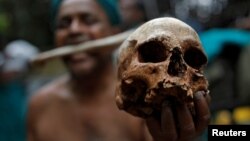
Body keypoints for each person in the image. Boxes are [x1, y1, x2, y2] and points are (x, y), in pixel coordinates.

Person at [27, 0, 211, 141]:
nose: (74, 30)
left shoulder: (144, 99)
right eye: (63, 24)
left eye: (88, 20)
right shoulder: (39, 106)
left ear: (114, 33)